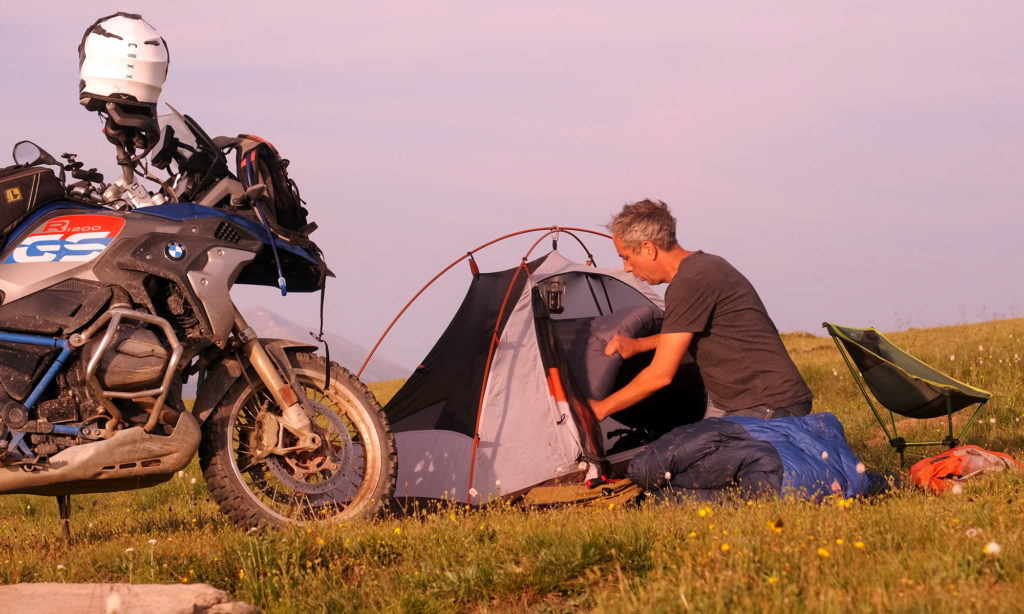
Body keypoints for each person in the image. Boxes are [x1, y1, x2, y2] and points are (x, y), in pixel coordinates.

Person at [589, 199, 812, 423]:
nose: (627, 268)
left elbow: (660, 374)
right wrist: (638, 346)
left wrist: (600, 408)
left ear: (648, 249)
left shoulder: (689, 282)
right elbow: (686, 334)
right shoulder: (705, 266)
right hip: (768, 402)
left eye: (626, 257)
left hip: (770, 406)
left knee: (675, 456)